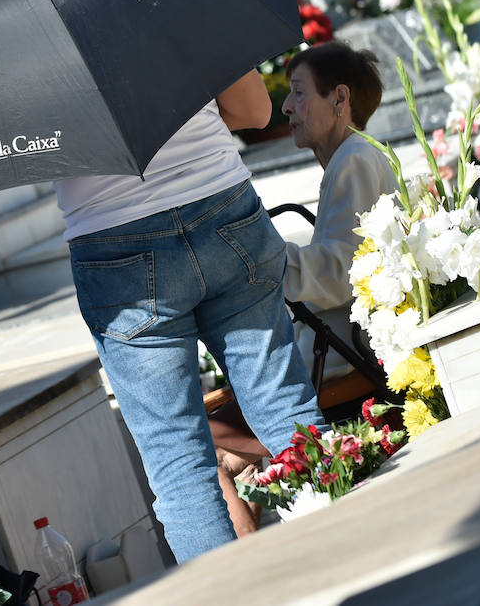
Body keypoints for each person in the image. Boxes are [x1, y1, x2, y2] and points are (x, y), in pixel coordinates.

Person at [54, 69, 326, 563]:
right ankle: (364, 563)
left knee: (179, 467)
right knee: (288, 411)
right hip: (223, 207)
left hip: (113, 242)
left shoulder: (1, 32)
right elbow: (253, 112)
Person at [208, 40, 398, 535]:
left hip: (340, 354)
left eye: (297, 93)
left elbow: (338, 275)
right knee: (231, 459)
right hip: (336, 344)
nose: (287, 107)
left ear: (339, 98)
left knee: (209, 446)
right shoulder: (354, 157)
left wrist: (255, 251)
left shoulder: (354, 159)